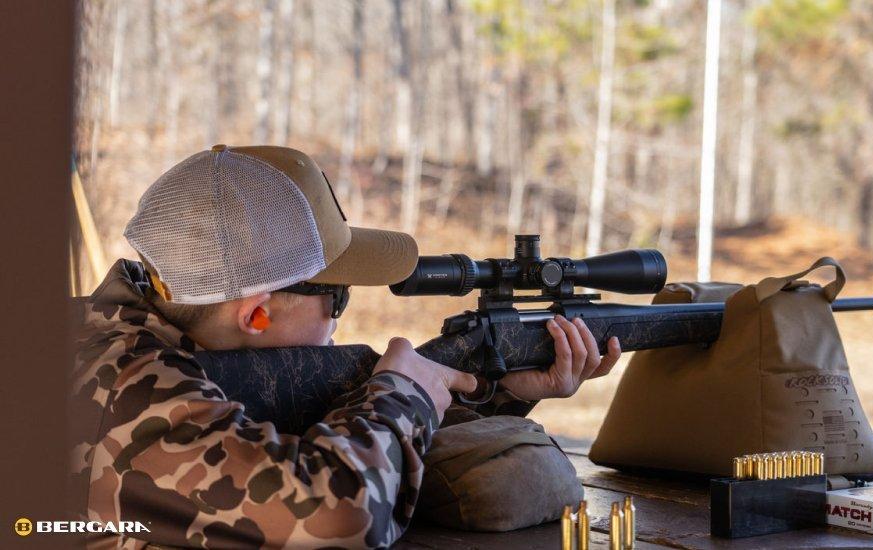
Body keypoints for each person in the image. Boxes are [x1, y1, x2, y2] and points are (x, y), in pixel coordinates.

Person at [70, 145, 622, 548]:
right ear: (257, 314)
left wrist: (497, 389)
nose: (339, 320)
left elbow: (270, 438)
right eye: (337, 296)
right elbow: (338, 516)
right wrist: (400, 393)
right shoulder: (131, 389)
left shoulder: (146, 341)